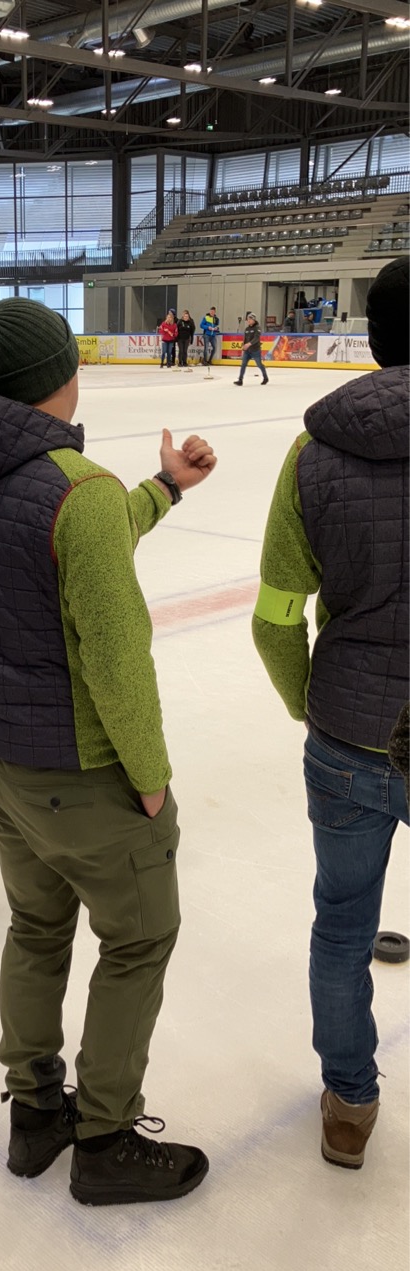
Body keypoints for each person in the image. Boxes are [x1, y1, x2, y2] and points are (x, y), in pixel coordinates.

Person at [0, 298, 217, 1207]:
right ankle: (104, 1137)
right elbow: (117, 659)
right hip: (79, 772)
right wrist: (151, 781)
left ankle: (35, 1114)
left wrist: (163, 487)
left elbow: (69, 542)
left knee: (36, 926)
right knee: (140, 937)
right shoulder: (76, 490)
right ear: (66, 372)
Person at [252, 256, 409, 1170]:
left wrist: (309, 704)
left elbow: (278, 615)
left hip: (349, 737)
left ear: (372, 337)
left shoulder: (314, 454)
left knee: (343, 927)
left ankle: (350, 1102)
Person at [233, 313, 269, 386]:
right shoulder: (247, 329)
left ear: (253, 320)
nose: (248, 321)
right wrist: (244, 347)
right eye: (248, 319)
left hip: (255, 350)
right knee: (243, 364)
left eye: (250, 319)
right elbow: (245, 339)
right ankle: (240, 380)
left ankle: (265, 378)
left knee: (259, 364)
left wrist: (249, 344)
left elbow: (256, 338)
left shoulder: (257, 328)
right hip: (247, 351)